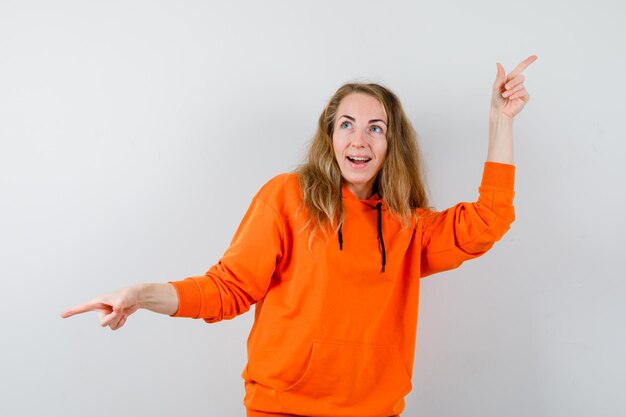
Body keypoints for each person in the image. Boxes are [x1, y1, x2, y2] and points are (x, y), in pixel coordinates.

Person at [61, 55, 537, 417]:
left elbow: (488, 220)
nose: (359, 140)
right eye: (347, 125)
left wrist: (501, 121)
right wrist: (142, 295)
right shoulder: (288, 197)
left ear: (392, 145)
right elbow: (227, 288)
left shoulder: (408, 225)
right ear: (329, 135)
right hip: (281, 408)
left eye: (376, 129)